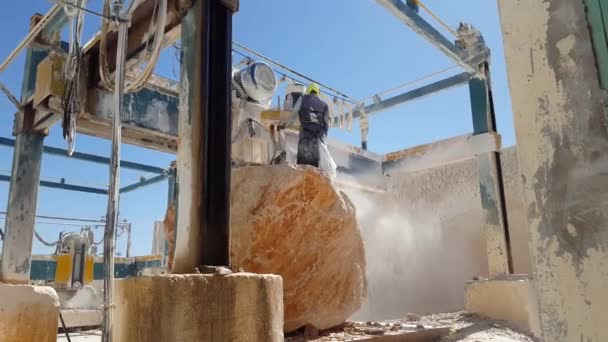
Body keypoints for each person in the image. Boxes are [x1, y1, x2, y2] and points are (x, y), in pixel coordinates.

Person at [279, 82, 329, 167]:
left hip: (305, 136)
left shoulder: (302, 99)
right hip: (317, 140)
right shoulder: (325, 105)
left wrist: (285, 125)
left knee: (302, 165)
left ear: (308, 91)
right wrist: (323, 143)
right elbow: (325, 126)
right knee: (313, 168)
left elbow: (294, 114)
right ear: (317, 92)